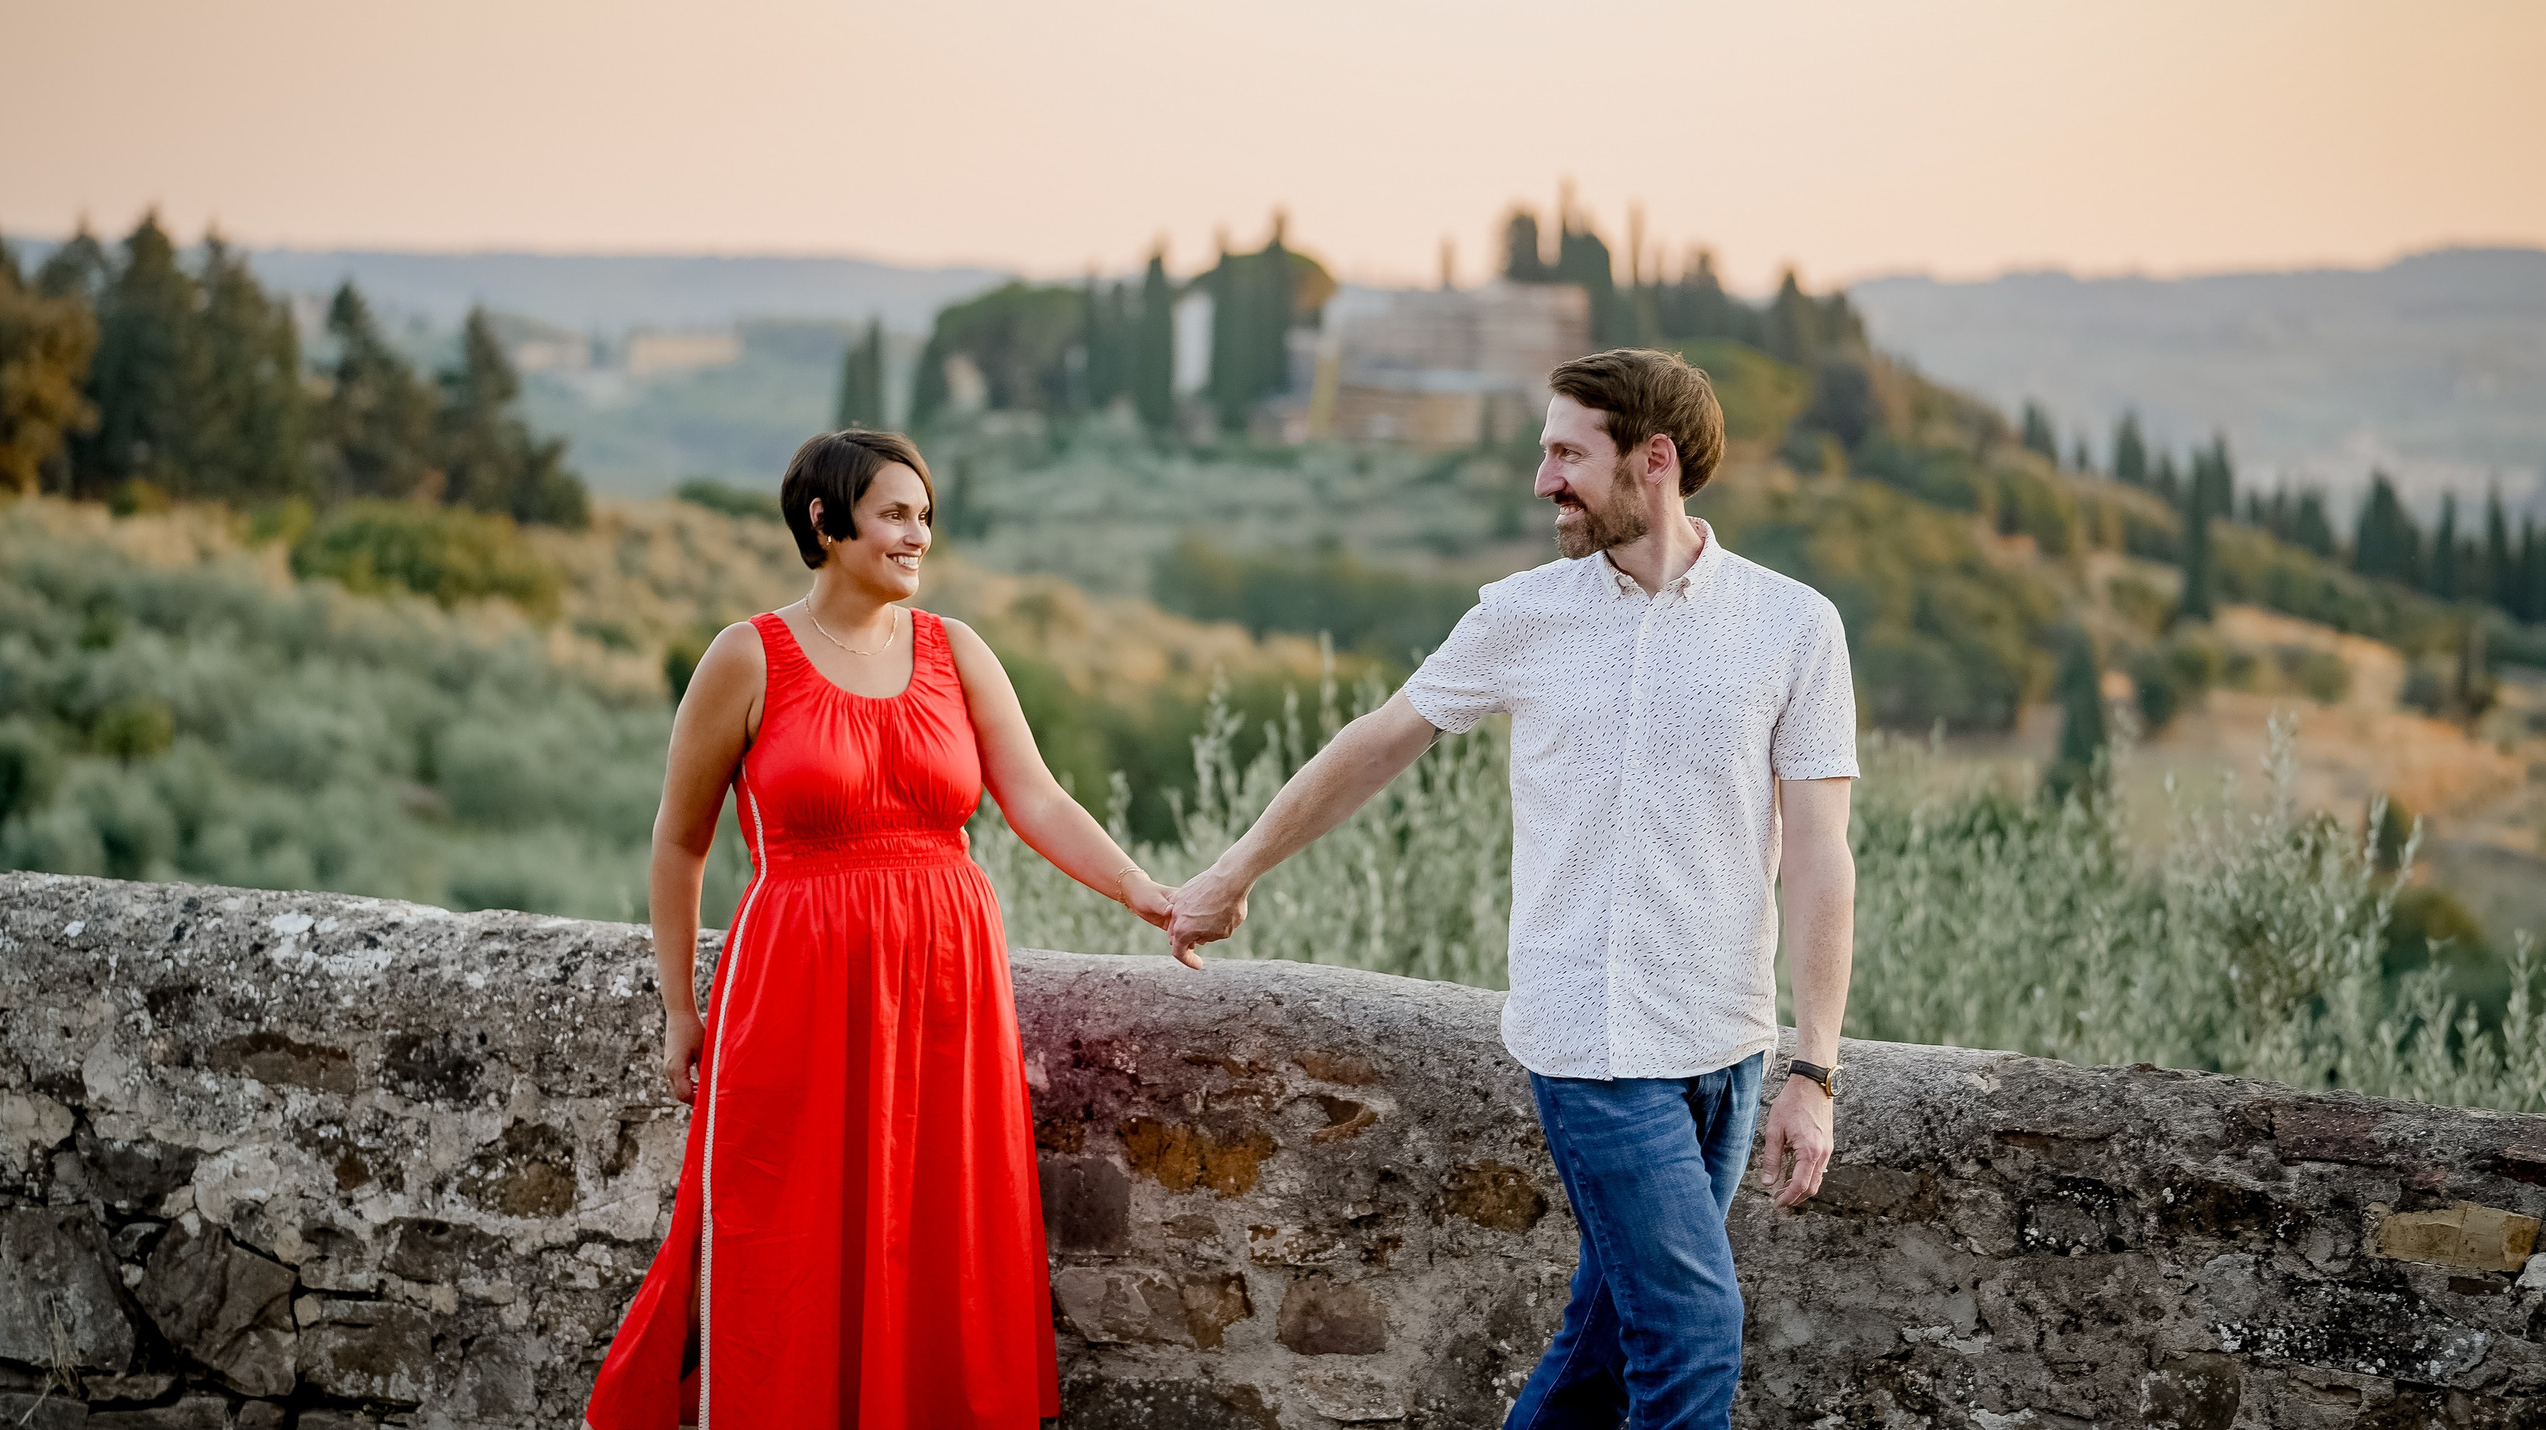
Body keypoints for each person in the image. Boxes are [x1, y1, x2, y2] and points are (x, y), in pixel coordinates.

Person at [1165, 348, 1859, 1429]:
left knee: (1602, 1342)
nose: (1544, 481)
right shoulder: (1520, 614)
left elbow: (1821, 853)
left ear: (1655, 460)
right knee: (1691, 1333)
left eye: (1567, 454)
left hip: (1728, 1042)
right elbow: (1377, 743)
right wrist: (1232, 869)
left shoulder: (1793, 625)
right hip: (1591, 1040)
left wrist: (1813, 1066)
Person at [586, 428, 1174, 1430]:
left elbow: (1036, 798)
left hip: (947, 993)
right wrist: (680, 1007)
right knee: (791, 1231)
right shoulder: (746, 657)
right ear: (826, 521)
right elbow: (679, 842)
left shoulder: (957, 650)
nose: (918, 535)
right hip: (798, 989)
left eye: (925, 515)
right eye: (895, 514)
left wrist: (1143, 892)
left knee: (938, 1228)